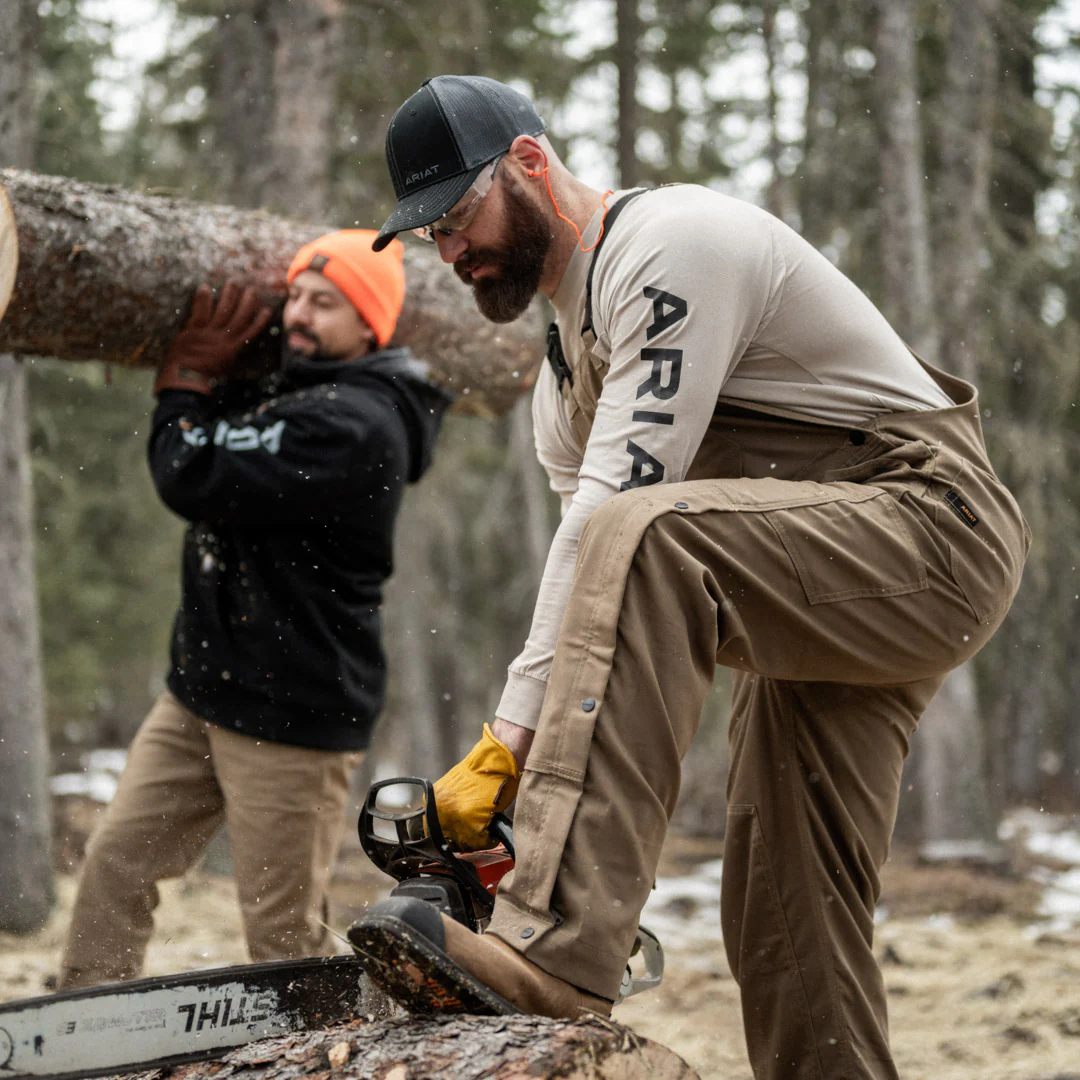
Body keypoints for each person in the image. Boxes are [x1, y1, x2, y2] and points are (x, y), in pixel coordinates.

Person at [354, 76, 1031, 1079]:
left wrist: (509, 741)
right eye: (431, 236)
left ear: (531, 165)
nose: (451, 254)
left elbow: (617, 536)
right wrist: (508, 776)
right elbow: (586, 602)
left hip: (928, 526)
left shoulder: (671, 245)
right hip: (817, 573)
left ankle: (560, 949)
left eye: (459, 217)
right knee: (783, 907)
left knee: (649, 537)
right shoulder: (561, 386)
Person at [58, 230, 451, 989]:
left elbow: (192, 472)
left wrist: (184, 385)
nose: (298, 315)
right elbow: (230, 437)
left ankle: (316, 1059)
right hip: (201, 692)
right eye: (295, 295)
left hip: (292, 715)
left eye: (324, 303)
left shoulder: (357, 423)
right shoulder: (300, 390)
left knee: (283, 934)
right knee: (117, 864)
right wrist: (219, 378)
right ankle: (76, 1024)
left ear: (372, 323)